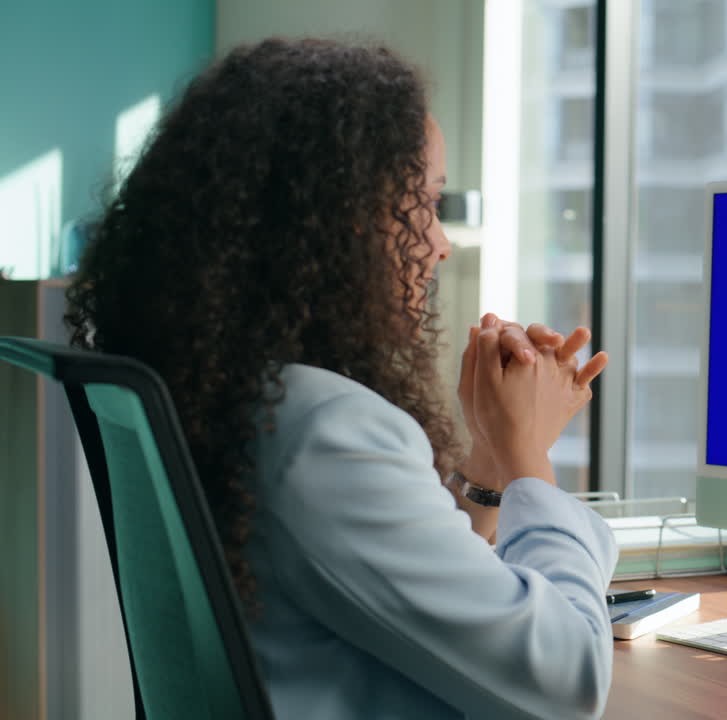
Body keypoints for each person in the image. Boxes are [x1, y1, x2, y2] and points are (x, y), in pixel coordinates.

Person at [65, 38, 618, 719]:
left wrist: (491, 464)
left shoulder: (242, 394)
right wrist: (530, 459)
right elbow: (569, 685)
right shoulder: (321, 429)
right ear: (335, 218)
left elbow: (405, 577)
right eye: (425, 202)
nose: (440, 244)